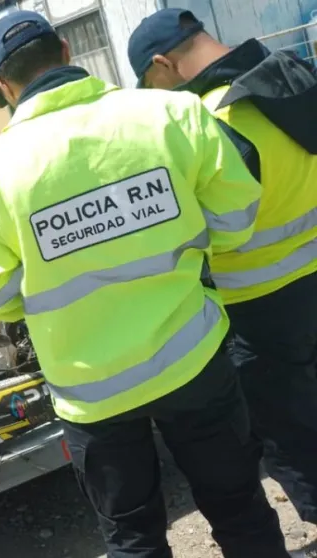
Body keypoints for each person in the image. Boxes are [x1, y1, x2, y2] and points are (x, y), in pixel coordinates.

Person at [0, 10, 289, 557]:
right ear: (66, 51)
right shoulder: (170, 114)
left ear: (1, 88)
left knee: (133, 539)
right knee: (239, 509)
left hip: (92, 394)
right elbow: (236, 220)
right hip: (193, 359)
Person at [128, 9, 317, 527]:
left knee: (293, 438)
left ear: (164, 64)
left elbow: (201, 229)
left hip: (261, 308)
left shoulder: (205, 123)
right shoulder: (292, 74)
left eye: (151, 84)